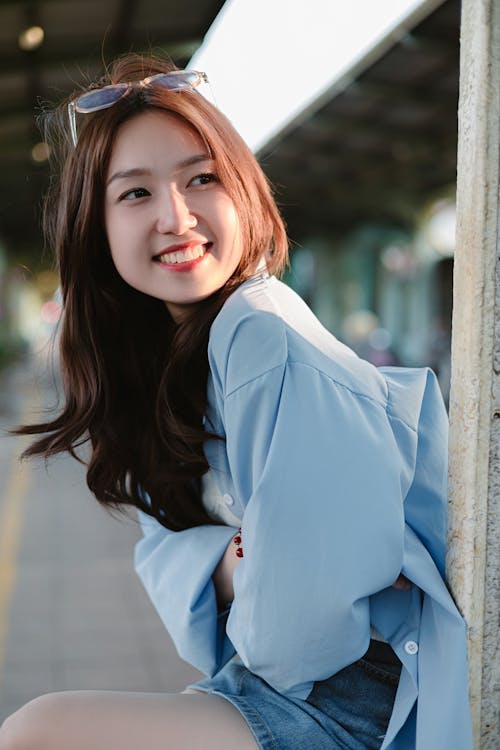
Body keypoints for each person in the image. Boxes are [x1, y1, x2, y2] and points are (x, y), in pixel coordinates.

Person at [0, 54, 472, 750]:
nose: (177, 215)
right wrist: (234, 559)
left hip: (360, 697)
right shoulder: (167, 355)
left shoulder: (261, 331)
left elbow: (301, 628)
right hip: (295, 683)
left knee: (40, 732)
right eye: (135, 194)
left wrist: (250, 579)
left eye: (201, 178)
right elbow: (165, 550)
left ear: (243, 190)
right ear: (94, 226)